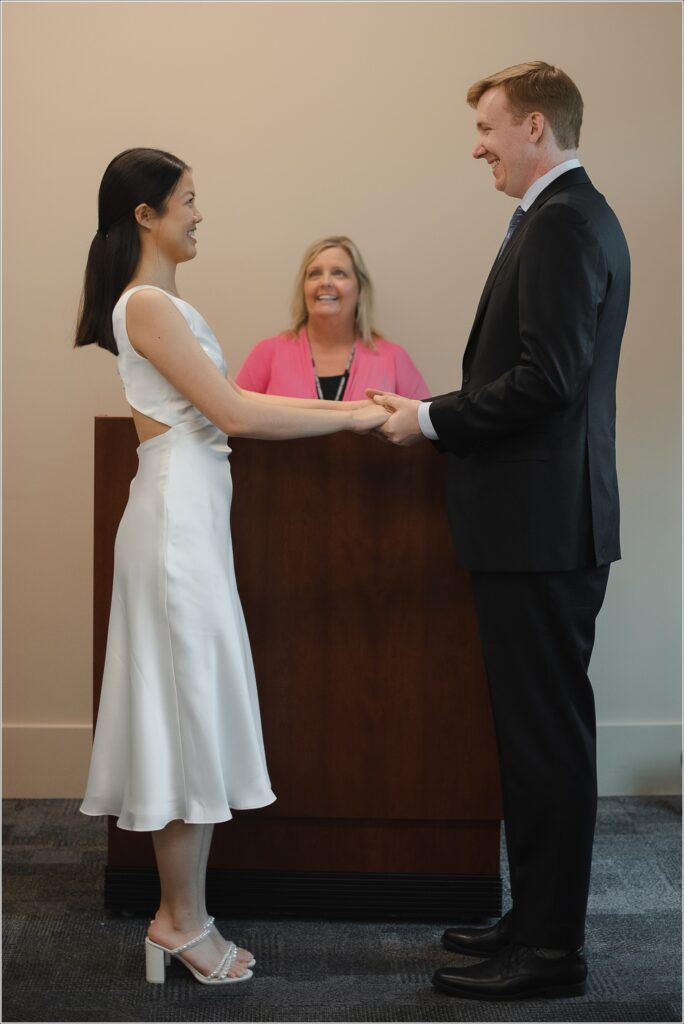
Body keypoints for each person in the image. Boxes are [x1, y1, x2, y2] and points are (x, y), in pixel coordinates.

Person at [76, 149, 387, 987]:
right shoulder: (146, 302)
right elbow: (235, 412)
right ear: (146, 214)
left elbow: (238, 405)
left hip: (190, 518)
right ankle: (179, 921)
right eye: (187, 201)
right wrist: (355, 420)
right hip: (176, 525)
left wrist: (357, 410)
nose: (198, 213)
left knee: (193, 713)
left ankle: (184, 917)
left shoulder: (162, 302)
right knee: (186, 719)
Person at [370, 62, 630, 1001]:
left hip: (542, 533)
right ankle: (532, 923)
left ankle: (552, 954)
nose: (476, 145)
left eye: (486, 128)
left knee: (546, 746)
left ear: (532, 126)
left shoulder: (563, 222)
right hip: (539, 529)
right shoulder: (560, 216)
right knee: (534, 744)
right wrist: (435, 407)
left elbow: (547, 381)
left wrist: (431, 420)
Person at [235, 235, 430, 402]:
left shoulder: (393, 358)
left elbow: (424, 433)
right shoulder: (267, 353)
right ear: (303, 287)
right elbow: (232, 425)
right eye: (314, 274)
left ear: (360, 288)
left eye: (339, 273)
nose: (325, 282)